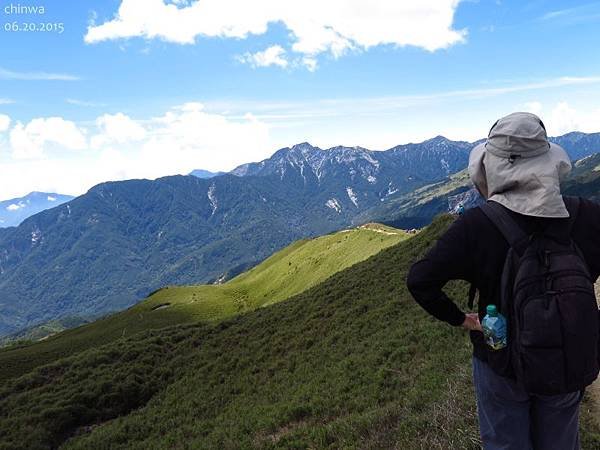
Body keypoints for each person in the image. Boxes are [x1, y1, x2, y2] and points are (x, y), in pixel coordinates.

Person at [406, 112, 600, 450]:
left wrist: (464, 320)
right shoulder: (587, 215)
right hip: (568, 360)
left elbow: (420, 279)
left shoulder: (477, 226)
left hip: (502, 362)